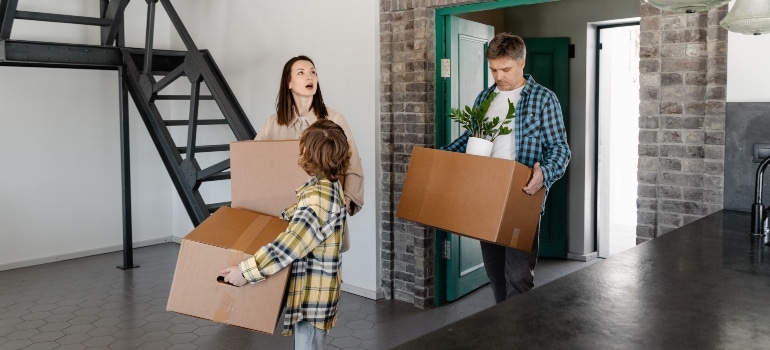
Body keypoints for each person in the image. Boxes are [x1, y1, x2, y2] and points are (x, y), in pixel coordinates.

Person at [442, 32, 571, 303]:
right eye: (493, 69)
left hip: (521, 197)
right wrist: (439, 158)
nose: (499, 76)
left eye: (505, 69)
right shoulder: (484, 98)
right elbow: (471, 139)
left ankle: (518, 339)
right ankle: (504, 330)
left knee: (518, 276)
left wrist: (544, 175)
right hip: (485, 196)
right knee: (495, 274)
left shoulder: (543, 99)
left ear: (522, 62)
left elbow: (560, 149)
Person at [220, 119, 350, 349]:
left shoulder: (316, 200)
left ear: (306, 152)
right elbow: (305, 219)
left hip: (312, 299)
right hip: (320, 294)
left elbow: (288, 247)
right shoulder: (328, 186)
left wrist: (246, 271)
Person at [255, 55, 363, 253]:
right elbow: (254, 161)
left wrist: (348, 197)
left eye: (313, 72)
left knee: (323, 268)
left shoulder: (335, 119)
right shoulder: (272, 123)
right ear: (289, 83)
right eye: (301, 73)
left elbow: (353, 161)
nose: (309, 77)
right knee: (285, 263)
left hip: (325, 209)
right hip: (284, 209)